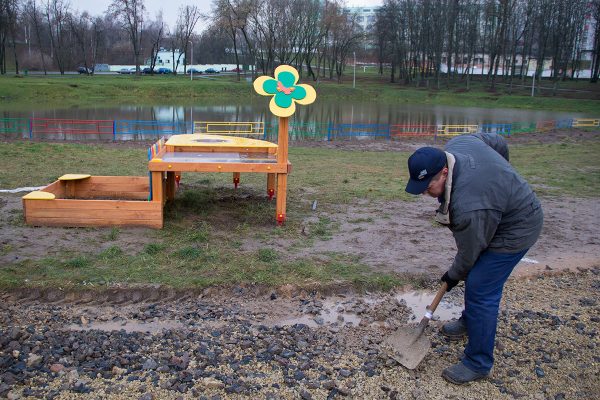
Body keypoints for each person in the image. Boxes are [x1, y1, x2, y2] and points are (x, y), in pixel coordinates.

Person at [405, 133, 543, 385]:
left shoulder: (469, 206)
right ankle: (471, 322)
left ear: (445, 172)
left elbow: (468, 255)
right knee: (477, 275)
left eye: (428, 187)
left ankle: (478, 363)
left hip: (518, 226)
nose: (425, 193)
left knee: (480, 287)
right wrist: (502, 175)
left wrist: (452, 275)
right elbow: (498, 142)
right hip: (494, 213)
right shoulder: (459, 144)